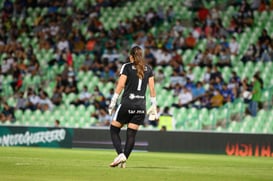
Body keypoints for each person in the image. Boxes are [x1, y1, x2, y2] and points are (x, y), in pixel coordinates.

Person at [108, 46, 157, 168]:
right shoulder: (149, 69)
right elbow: (152, 89)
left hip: (127, 104)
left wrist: (113, 101)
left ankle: (120, 154)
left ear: (131, 56)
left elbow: (120, 85)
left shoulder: (127, 66)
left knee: (114, 130)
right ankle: (124, 157)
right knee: (131, 134)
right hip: (141, 106)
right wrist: (154, 105)